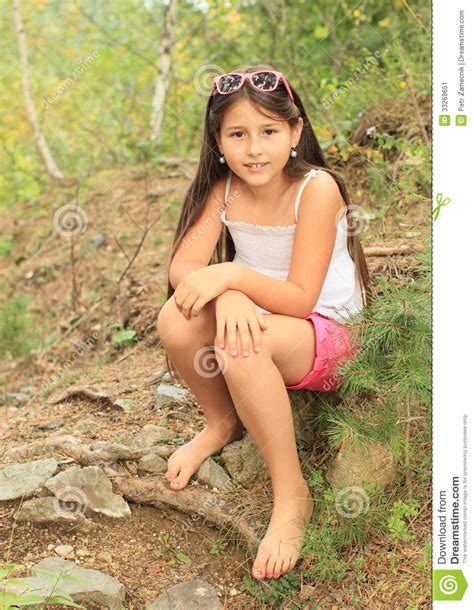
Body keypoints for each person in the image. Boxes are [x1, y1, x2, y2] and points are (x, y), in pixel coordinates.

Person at [156, 64, 371, 581]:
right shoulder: (225, 189)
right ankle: (223, 422)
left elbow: (298, 299)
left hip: (327, 331)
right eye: (238, 134)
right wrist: (227, 289)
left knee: (239, 343)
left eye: (269, 131)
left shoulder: (316, 189)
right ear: (218, 141)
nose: (254, 149)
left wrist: (231, 277)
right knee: (175, 318)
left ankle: (292, 493)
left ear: (295, 132)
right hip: (265, 317)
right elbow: (183, 267)